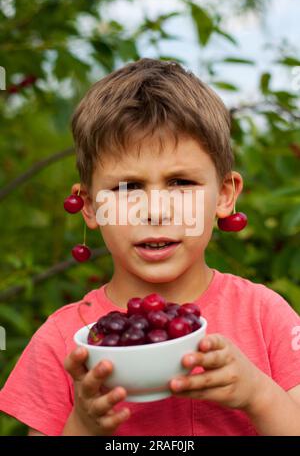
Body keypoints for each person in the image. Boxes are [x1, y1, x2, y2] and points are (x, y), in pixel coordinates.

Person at [1, 58, 300, 437]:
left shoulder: (264, 316)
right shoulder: (64, 341)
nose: (155, 211)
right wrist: (84, 425)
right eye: (127, 187)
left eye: (181, 182)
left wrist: (258, 394)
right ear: (90, 205)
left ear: (225, 196)